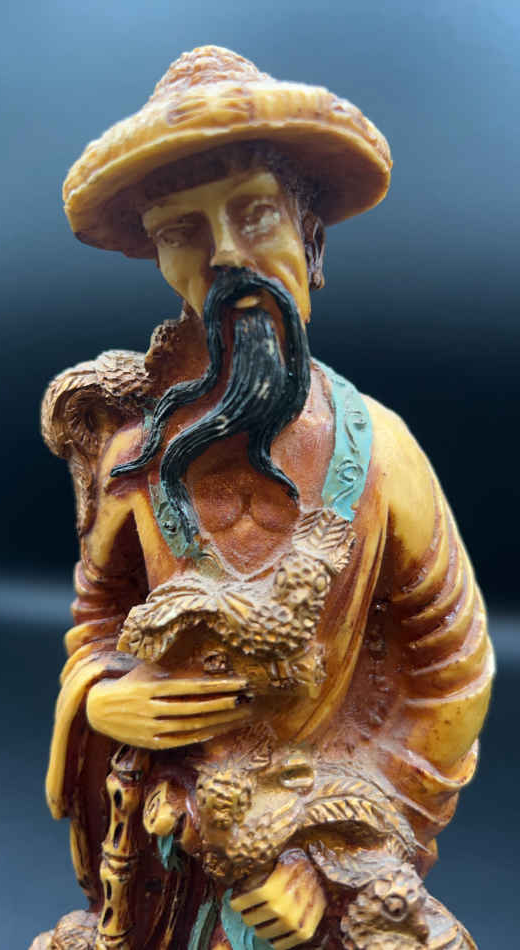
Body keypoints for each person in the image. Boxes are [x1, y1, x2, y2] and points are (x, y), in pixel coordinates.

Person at [34, 47, 493, 950]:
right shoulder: (134, 461)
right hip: (165, 851)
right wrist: (101, 701)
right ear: (161, 259)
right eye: (183, 230)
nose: (226, 255)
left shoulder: (383, 454)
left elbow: (452, 673)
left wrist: (329, 853)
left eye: (253, 213)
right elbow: (96, 620)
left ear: (308, 234)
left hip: (323, 853)